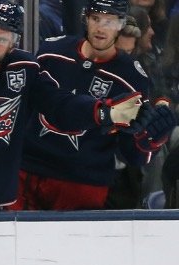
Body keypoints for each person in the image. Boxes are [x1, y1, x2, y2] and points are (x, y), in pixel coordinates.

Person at [0, 0, 147, 210]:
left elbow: (59, 104)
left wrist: (105, 112)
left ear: (14, 43)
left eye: (1, 39)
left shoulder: (25, 69)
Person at [17, 0, 175, 210]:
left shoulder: (132, 77)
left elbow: (131, 155)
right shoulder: (52, 51)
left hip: (82, 182)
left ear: (121, 25)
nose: (101, 28)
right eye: (96, 19)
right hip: (28, 170)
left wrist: (148, 143)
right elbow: (30, 107)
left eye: (109, 22)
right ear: (86, 19)